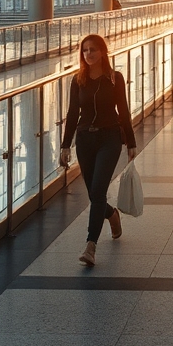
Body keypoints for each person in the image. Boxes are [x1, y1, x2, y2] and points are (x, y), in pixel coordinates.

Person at [59, 34, 137, 267]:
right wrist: (65, 145)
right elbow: (73, 114)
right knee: (95, 195)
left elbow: (122, 110)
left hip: (109, 138)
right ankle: (112, 214)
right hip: (84, 139)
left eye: (93, 49)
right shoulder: (78, 80)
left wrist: (131, 142)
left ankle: (90, 245)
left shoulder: (115, 78)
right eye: (85, 50)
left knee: (99, 189)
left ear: (103, 51)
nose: (89, 54)